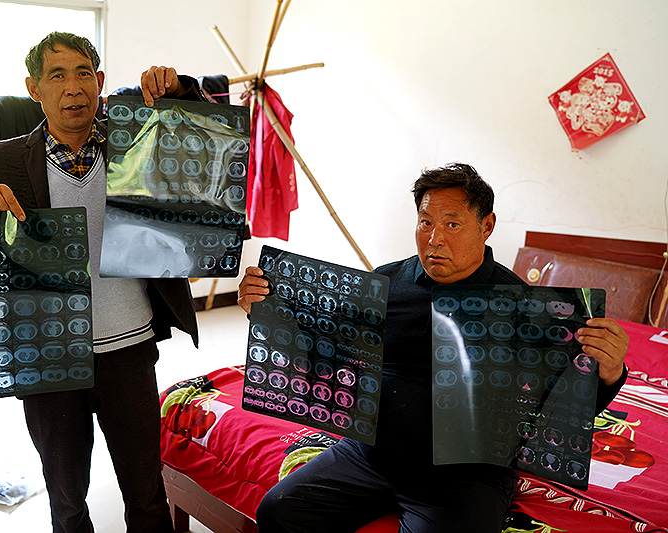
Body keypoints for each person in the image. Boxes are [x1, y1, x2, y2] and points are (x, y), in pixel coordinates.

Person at [236, 163, 629, 533]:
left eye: (452, 224)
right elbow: (325, 350)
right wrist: (265, 312)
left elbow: (560, 405)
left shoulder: (524, 306)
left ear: (486, 226)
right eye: (426, 222)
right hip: (369, 456)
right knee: (278, 512)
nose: (435, 238)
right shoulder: (385, 283)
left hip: (465, 476)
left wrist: (610, 372)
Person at [0, 31, 207, 532]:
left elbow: (205, 136)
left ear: (100, 81)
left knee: (147, 494)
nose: (73, 87)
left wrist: (180, 89)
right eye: (57, 75)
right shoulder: (2, 160)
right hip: (48, 356)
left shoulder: (135, 140)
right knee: (66, 500)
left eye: (84, 73)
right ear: (34, 89)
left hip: (129, 346)